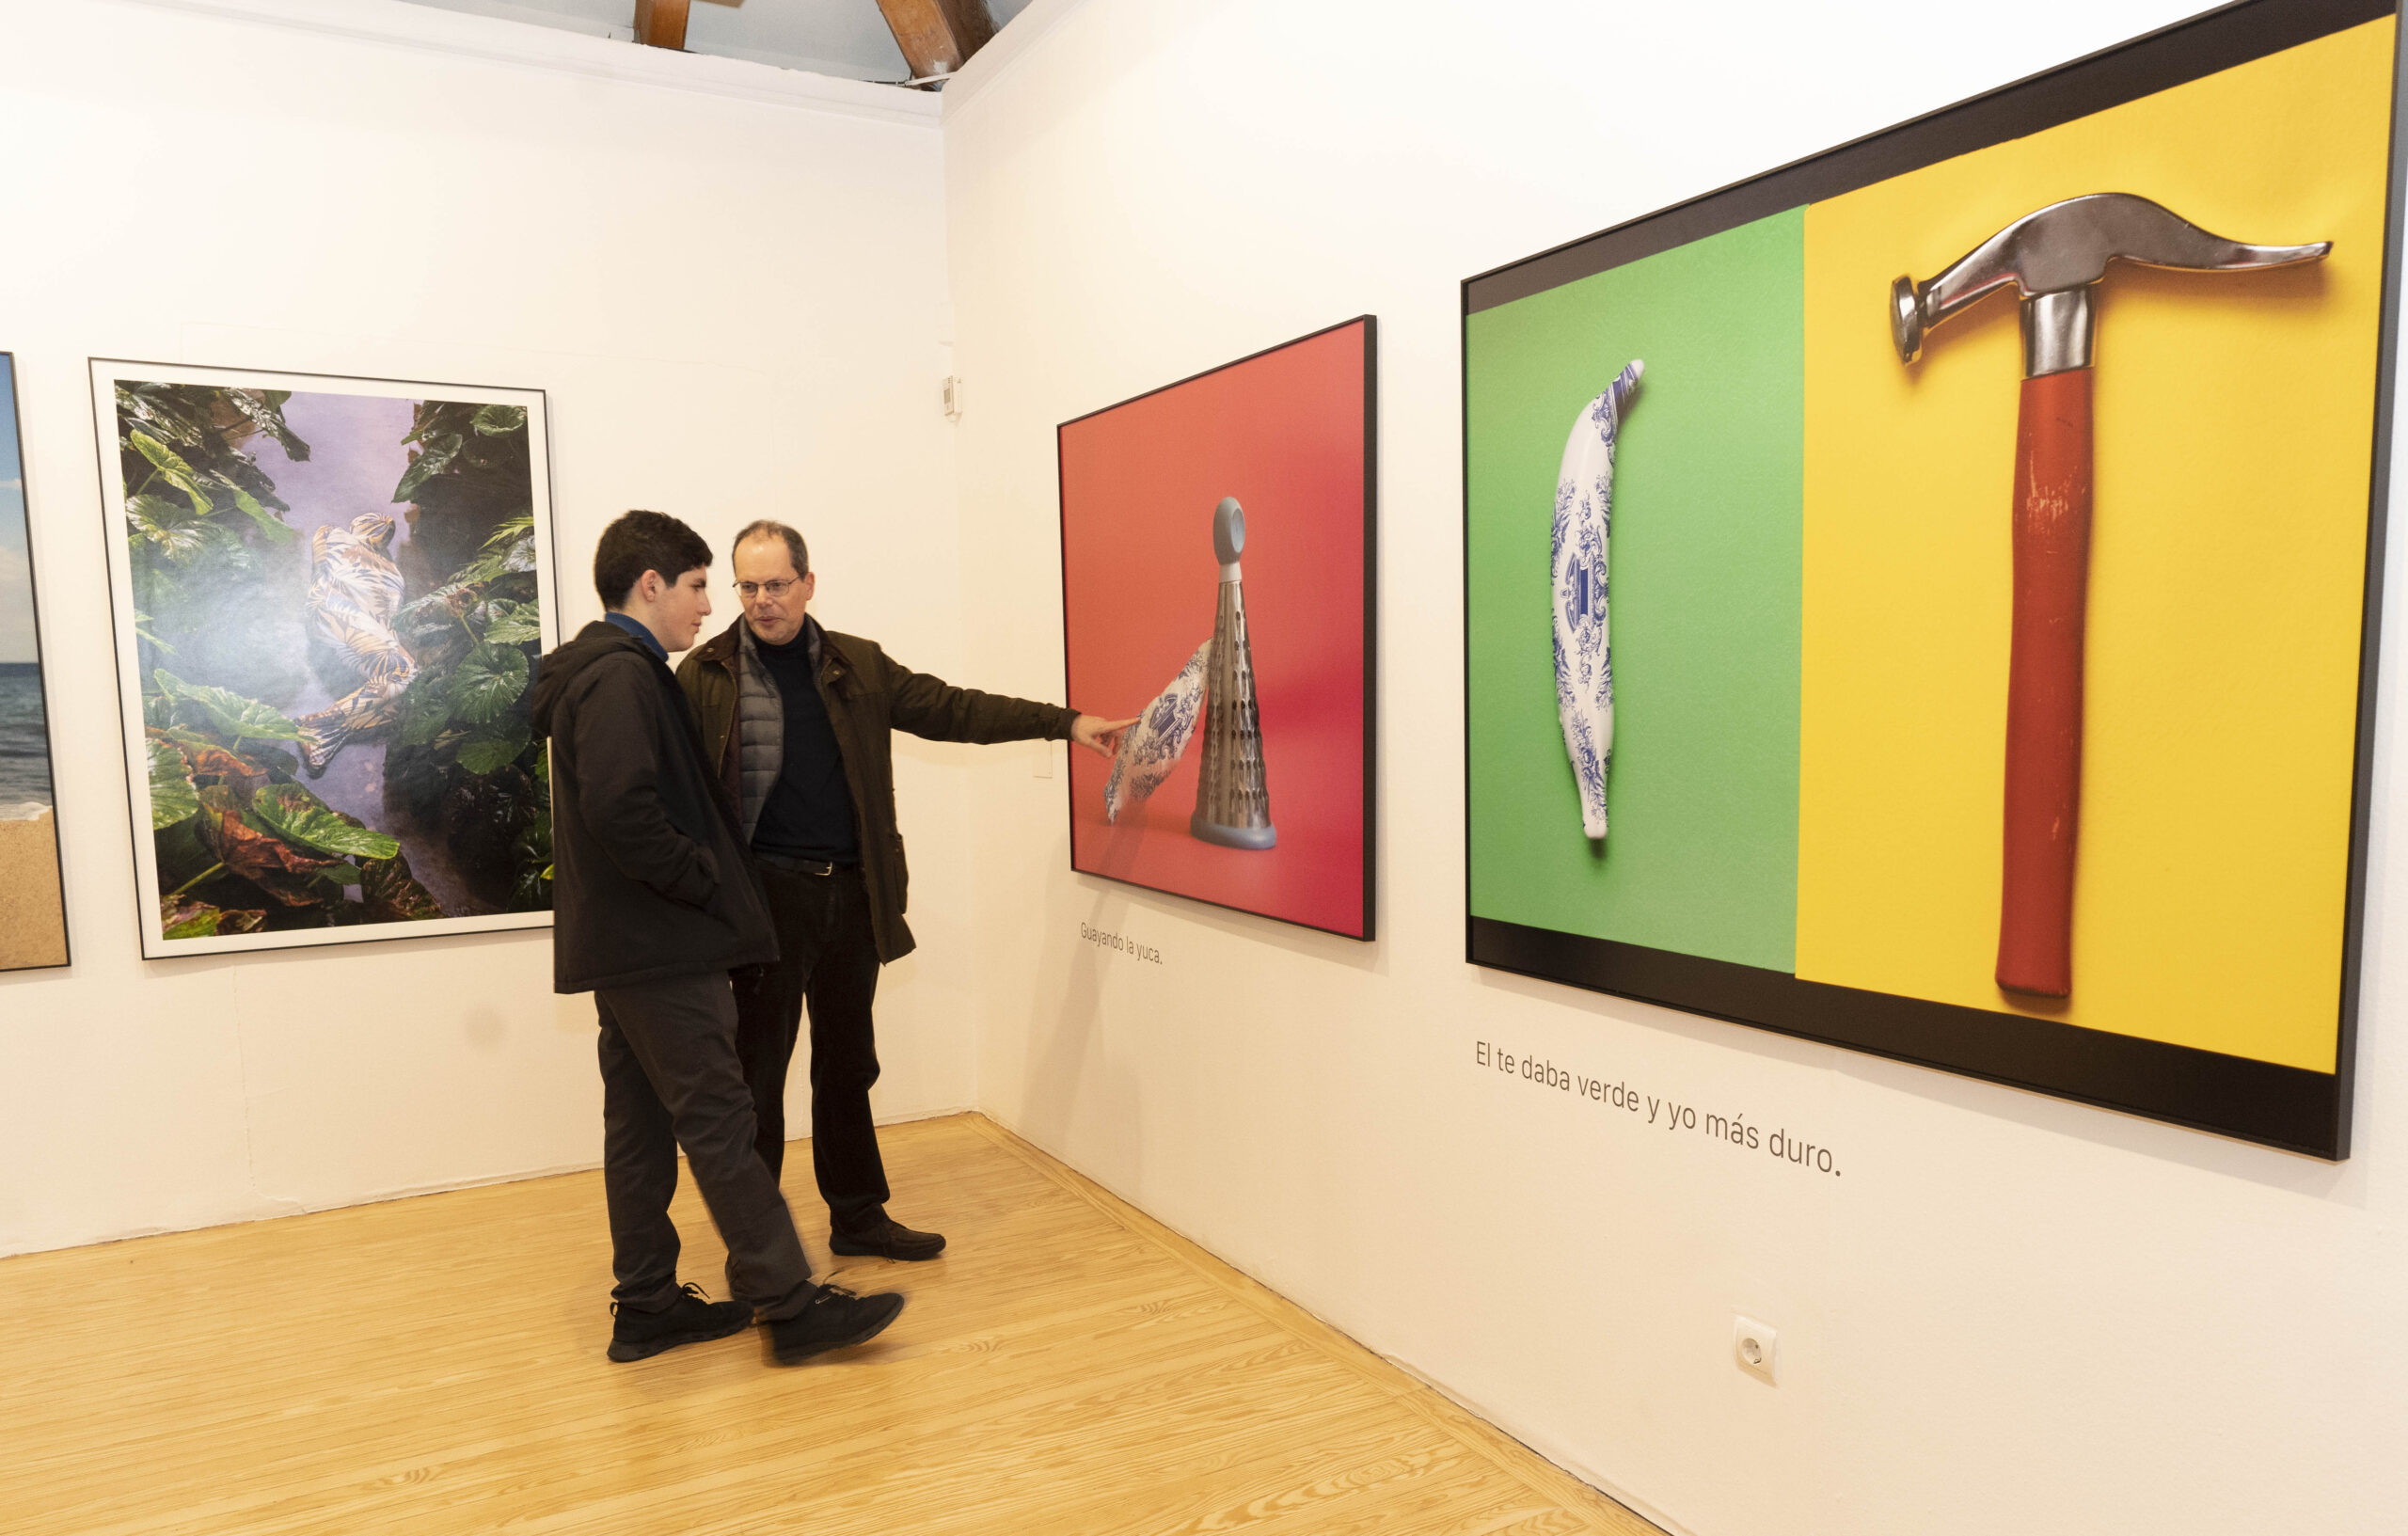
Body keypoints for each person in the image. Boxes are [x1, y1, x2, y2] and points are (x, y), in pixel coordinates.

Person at [678, 520, 1131, 1260]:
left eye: (777, 584)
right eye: (748, 586)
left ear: (809, 583)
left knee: (849, 1062)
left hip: (852, 897)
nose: (762, 601)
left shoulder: (856, 664)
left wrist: (1067, 723)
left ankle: (857, 1217)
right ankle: (756, 1246)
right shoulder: (705, 673)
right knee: (757, 1073)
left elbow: (955, 709)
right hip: (764, 903)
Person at [530, 509, 906, 1368]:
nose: (713, 606)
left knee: (637, 1129)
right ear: (652, 585)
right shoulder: (623, 678)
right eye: (701, 586)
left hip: (622, 948)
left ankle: (648, 1304)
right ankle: (789, 1303)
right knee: (722, 1120)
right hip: (662, 949)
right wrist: (705, 881)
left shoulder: (600, 672)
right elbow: (625, 811)